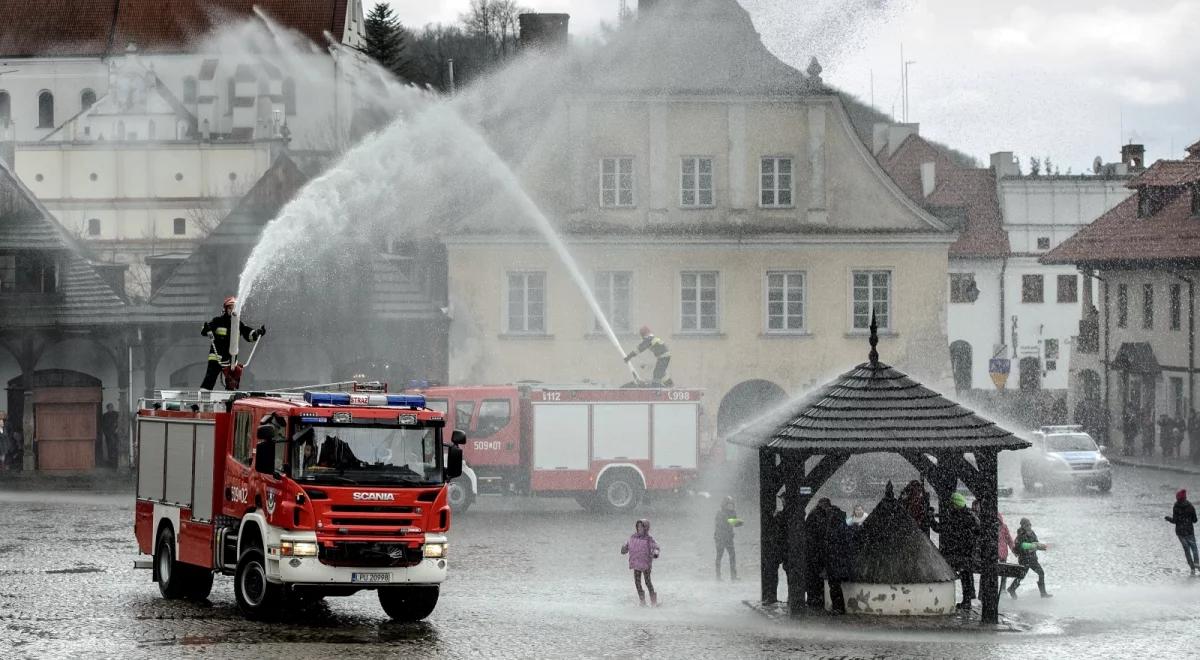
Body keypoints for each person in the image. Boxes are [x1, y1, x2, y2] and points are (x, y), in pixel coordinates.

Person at [200, 296, 265, 390]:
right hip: (216, 357)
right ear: (225, 309)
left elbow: (249, 335)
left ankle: (230, 404)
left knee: (232, 384)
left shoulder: (238, 323)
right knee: (210, 379)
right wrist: (206, 329)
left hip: (231, 360)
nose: (232, 310)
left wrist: (257, 333)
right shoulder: (217, 321)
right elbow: (204, 331)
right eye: (230, 307)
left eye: (234, 307)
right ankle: (200, 403)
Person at [933, 492, 979, 609]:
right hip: (968, 553)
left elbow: (940, 528)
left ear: (955, 504)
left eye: (951, 505)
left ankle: (944, 599)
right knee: (966, 576)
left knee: (948, 571)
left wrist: (930, 519)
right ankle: (967, 600)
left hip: (959, 553)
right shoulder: (970, 515)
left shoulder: (956, 516)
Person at [1008, 517, 1051, 598]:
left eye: (1029, 525)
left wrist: (1040, 547)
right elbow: (1017, 548)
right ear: (1022, 526)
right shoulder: (1020, 536)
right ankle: (1011, 589)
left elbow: (1036, 543)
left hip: (1033, 559)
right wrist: (1028, 549)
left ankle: (1043, 593)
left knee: (1041, 573)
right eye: (1027, 525)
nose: (1029, 526)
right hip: (1024, 560)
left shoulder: (1032, 533)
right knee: (1021, 576)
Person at [620, 519, 660, 606]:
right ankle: (642, 600)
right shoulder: (633, 537)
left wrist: (656, 553)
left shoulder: (649, 539)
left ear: (645, 528)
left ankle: (653, 601)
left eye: (641, 527)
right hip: (636, 564)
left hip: (646, 564)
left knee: (647, 582)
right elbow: (627, 545)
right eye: (638, 527)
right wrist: (624, 548)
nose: (639, 528)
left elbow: (655, 546)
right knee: (637, 582)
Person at [803, 498, 833, 608]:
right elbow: (820, 534)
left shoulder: (814, 514)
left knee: (812, 578)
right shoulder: (818, 515)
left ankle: (814, 600)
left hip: (813, 553)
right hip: (815, 553)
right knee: (815, 578)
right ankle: (815, 600)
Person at [823, 500, 851, 614]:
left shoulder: (833, 525)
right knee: (835, 584)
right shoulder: (841, 523)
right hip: (838, 559)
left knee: (834, 585)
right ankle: (838, 607)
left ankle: (838, 608)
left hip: (834, 559)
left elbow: (833, 542)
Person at [1165, 489, 1198, 575]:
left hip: (1180, 532)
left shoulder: (1176, 506)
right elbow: (1195, 520)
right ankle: (1197, 563)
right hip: (1189, 531)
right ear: (1185, 497)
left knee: (1186, 549)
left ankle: (1192, 568)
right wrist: (1189, 518)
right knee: (1194, 548)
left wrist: (1168, 519)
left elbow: (1175, 521)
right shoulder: (1190, 506)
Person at [713, 496, 743, 580]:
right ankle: (718, 576)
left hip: (729, 538)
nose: (731, 506)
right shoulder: (720, 513)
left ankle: (733, 576)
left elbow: (735, 524)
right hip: (720, 538)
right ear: (725, 505)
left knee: (732, 556)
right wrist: (734, 521)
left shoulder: (732, 513)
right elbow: (724, 524)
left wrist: (736, 522)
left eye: (732, 504)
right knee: (719, 556)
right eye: (729, 504)